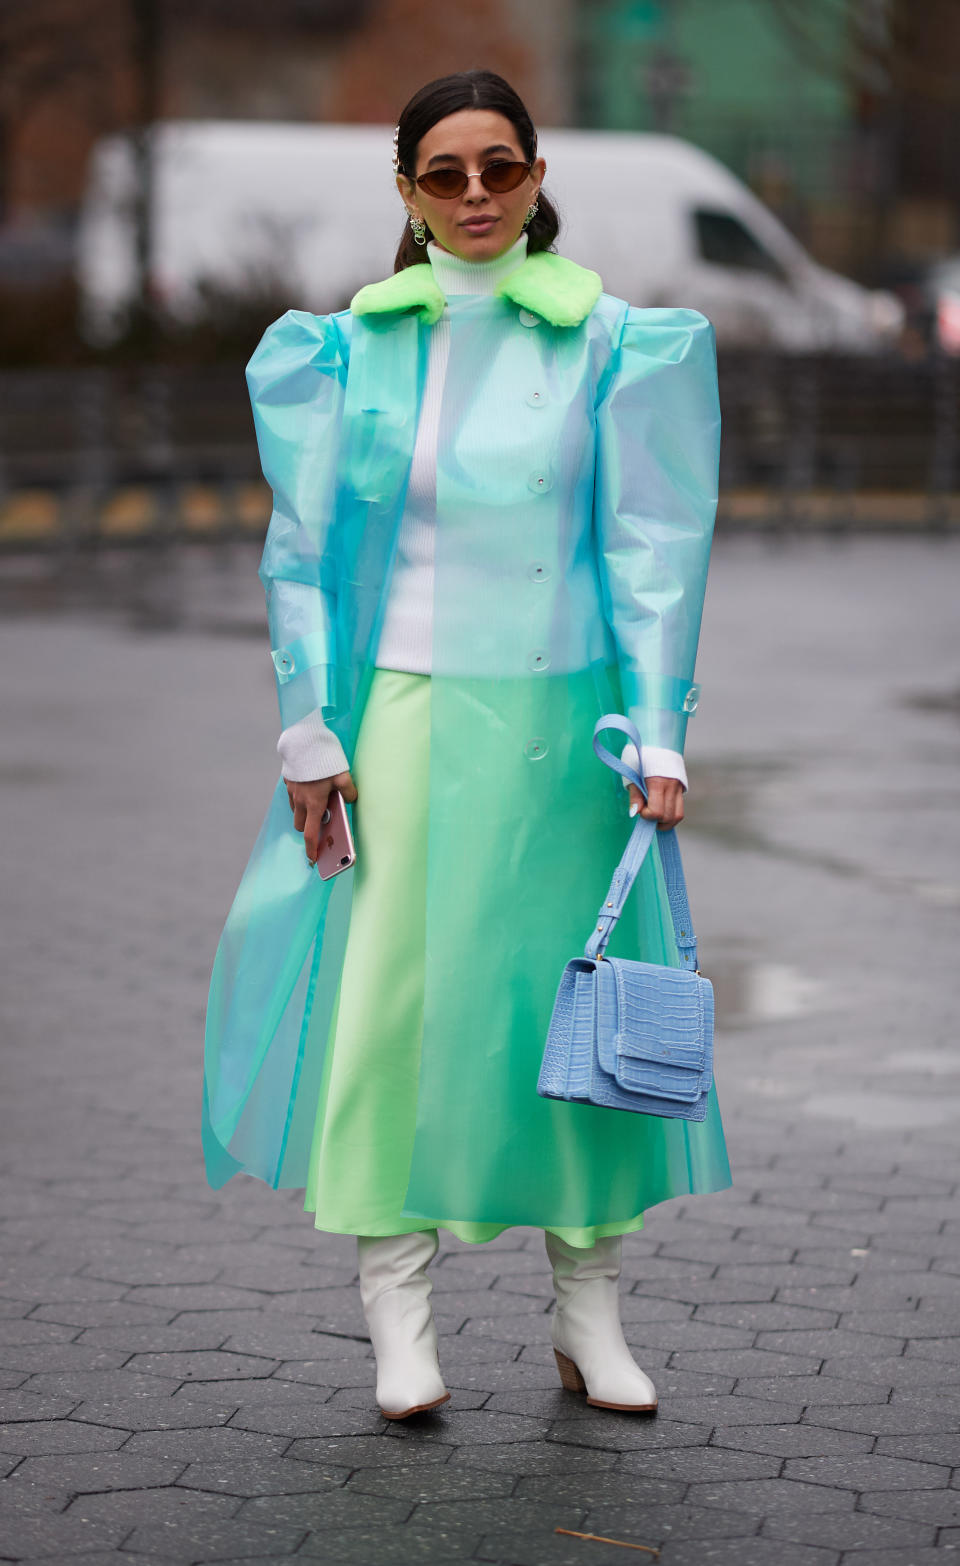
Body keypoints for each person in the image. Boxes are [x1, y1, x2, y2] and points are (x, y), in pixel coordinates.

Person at [202, 68, 730, 1422]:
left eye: (502, 166)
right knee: (393, 1007)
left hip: (571, 733)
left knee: (573, 1005)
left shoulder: (618, 343)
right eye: (447, 173)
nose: (478, 193)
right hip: (404, 719)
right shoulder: (350, 352)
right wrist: (312, 729)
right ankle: (401, 1314)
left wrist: (660, 730)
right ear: (407, 191)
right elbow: (304, 555)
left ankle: (588, 1311)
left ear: (539, 175)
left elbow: (652, 546)